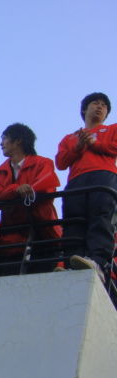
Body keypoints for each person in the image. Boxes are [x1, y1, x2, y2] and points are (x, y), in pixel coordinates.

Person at [55, 92, 117, 282]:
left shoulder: (112, 129)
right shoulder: (70, 137)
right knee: (74, 222)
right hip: (76, 180)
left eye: (104, 105)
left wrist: (95, 143)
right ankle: (71, 263)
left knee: (101, 218)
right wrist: (78, 146)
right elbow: (61, 162)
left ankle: (98, 262)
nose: (100, 107)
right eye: (95, 103)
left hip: (104, 175)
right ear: (84, 109)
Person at [0, 123, 61, 269]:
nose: (1, 143)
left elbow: (47, 189)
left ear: (18, 140)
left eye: (4, 138)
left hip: (42, 231)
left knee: (45, 269)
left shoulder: (43, 163)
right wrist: (16, 190)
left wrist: (13, 193)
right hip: (12, 237)